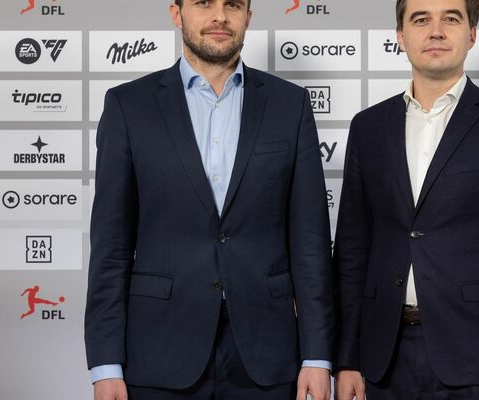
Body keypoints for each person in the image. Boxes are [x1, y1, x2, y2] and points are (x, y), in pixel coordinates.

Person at [84, 1, 333, 399]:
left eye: (232, 4)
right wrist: (105, 365)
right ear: (176, 13)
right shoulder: (128, 106)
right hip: (158, 353)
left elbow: (311, 244)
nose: (219, 16)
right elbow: (111, 249)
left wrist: (317, 357)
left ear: (248, 16)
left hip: (267, 354)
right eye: (204, 3)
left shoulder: (291, 105)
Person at [333, 0, 479, 399]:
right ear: (400, 36)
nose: (435, 30)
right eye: (421, 19)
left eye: (450, 18)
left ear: (472, 34)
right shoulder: (368, 128)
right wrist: (347, 358)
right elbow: (352, 251)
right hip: (382, 362)